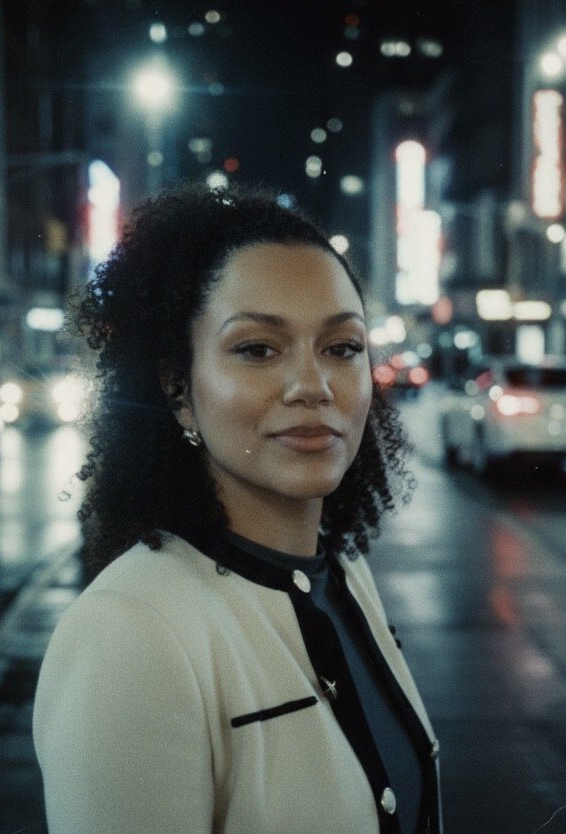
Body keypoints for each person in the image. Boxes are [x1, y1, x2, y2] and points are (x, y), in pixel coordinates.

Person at [33, 182, 442, 834]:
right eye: (257, 349)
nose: (312, 385)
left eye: (342, 348)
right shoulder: (129, 632)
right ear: (179, 392)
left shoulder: (345, 572)